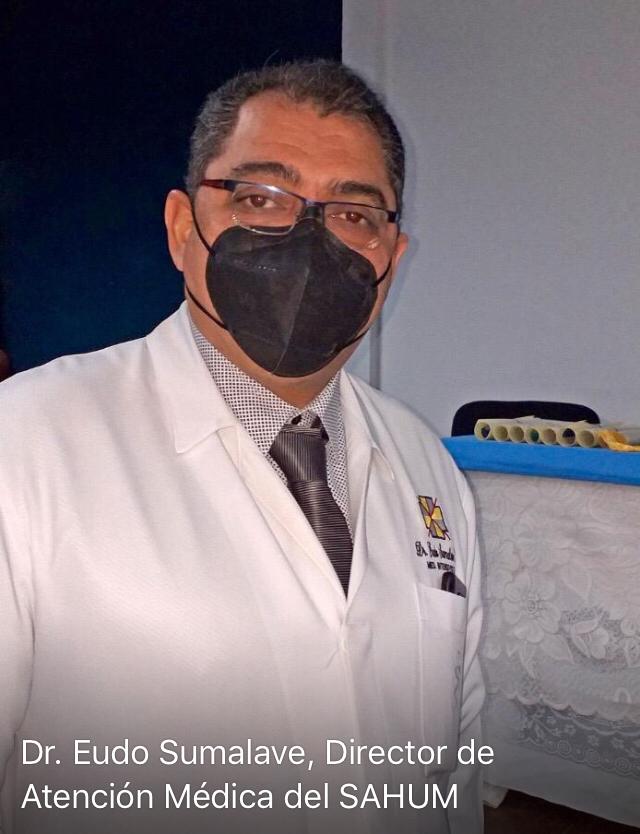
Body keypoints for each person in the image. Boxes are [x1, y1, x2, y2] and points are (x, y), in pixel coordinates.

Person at [0, 60, 484, 834]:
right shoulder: (24, 442)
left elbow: (453, 768)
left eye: (352, 214)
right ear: (182, 228)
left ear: (390, 261)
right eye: (261, 198)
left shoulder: (428, 467)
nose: (307, 241)